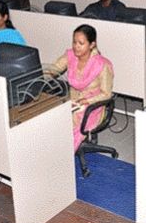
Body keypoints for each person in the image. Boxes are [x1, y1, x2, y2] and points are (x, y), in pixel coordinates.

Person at [48, 24, 114, 152]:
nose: (76, 46)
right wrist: (41, 74)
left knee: (70, 118)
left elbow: (106, 94)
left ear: (92, 44)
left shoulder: (102, 65)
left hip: (92, 105)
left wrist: (87, 101)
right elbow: (52, 70)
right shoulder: (70, 56)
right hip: (73, 101)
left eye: (81, 43)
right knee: (52, 114)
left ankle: (62, 153)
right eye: (74, 42)